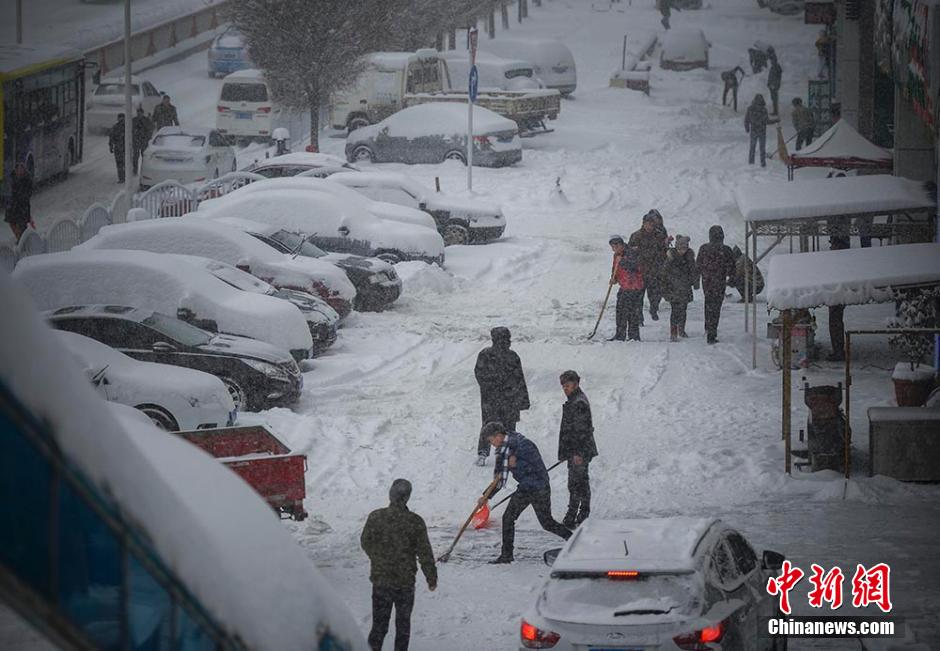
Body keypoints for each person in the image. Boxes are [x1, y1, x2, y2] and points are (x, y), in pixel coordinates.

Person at [477, 422, 572, 564]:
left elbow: (537, 467)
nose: (492, 445)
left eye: (491, 441)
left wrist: (517, 462)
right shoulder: (502, 451)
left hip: (539, 487)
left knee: (546, 522)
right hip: (526, 488)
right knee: (508, 518)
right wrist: (486, 496)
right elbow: (500, 478)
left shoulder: (523, 444)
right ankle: (506, 555)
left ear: (498, 435)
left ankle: (573, 540)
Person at [360, 479, 437, 651]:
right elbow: (425, 553)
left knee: (379, 627)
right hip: (405, 583)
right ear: (407, 497)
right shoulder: (415, 522)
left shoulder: (376, 517)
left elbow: (365, 541)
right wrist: (431, 578)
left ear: (390, 494)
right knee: (403, 627)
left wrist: (378, 559)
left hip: (381, 582)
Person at [473, 327, 530, 466]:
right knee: (490, 426)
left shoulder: (512, 356)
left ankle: (507, 452)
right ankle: (483, 453)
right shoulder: (485, 355)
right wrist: (494, 385)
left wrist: (523, 400)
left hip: (506, 399)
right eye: (505, 339)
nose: (507, 342)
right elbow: (479, 375)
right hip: (493, 399)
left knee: (507, 427)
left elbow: (519, 379)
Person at [557, 370, 597, 528]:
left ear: (576, 384)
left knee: (576, 484)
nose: (565, 389)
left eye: (567, 385)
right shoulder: (575, 399)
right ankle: (581, 514)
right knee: (580, 482)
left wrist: (577, 453)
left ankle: (573, 515)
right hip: (578, 451)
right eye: (563, 386)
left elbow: (581, 431)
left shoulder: (578, 402)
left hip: (579, 451)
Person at [696, 225, 735, 344]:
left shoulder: (703, 248)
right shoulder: (726, 250)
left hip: (707, 282)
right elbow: (732, 268)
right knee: (716, 307)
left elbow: (698, 266)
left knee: (708, 304)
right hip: (719, 282)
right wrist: (731, 279)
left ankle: (708, 327)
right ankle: (712, 333)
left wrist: (697, 280)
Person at [629, 210, 668, 321]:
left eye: (652, 224)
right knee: (639, 296)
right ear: (643, 223)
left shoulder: (659, 235)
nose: (650, 226)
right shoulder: (636, 236)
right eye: (648, 223)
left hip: (655, 270)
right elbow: (629, 252)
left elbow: (664, 252)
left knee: (655, 294)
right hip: (640, 271)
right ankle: (639, 317)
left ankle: (653, 309)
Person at [608, 236, 644, 341]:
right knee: (620, 312)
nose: (613, 249)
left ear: (620, 245)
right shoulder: (617, 256)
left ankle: (633, 336)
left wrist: (622, 261)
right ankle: (620, 335)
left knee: (632, 312)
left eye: (614, 247)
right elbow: (615, 268)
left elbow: (634, 267)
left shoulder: (631, 253)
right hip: (624, 286)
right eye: (612, 247)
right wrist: (613, 278)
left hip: (634, 287)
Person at [664, 235, 699, 341]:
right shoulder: (671, 257)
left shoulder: (689, 257)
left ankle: (681, 330)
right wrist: (665, 285)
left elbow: (694, 271)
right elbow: (664, 272)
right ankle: (673, 332)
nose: (682, 251)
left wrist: (695, 282)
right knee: (675, 311)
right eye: (680, 249)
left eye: (684, 248)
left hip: (685, 287)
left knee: (683, 310)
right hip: (673, 288)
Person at [826, 228, 851, 361]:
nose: (831, 247)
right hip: (836, 294)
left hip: (838, 295)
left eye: (832, 244)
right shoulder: (840, 259)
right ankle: (838, 349)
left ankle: (838, 351)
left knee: (835, 322)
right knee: (835, 322)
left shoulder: (840, 259)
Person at [744, 94, 778, 167]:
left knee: (752, 147)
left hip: (753, 130)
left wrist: (747, 127)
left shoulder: (750, 108)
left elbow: (747, 119)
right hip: (762, 131)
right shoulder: (763, 109)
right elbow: (767, 121)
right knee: (762, 148)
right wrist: (776, 120)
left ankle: (751, 162)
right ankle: (763, 163)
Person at [5, 162, 33, 242]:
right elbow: (10, 191)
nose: (19, 171)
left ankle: (22, 241)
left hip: (22, 207)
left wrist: (20, 198)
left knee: (22, 226)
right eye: (18, 169)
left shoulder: (27, 180)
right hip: (13, 206)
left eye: (21, 169)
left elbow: (28, 193)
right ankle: (20, 239)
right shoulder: (12, 178)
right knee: (12, 222)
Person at [132, 107, 154, 176]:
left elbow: (151, 128)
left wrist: (148, 137)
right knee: (135, 157)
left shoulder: (146, 120)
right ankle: (135, 170)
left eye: (140, 112)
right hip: (136, 141)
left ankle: (144, 170)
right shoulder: (134, 120)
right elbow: (131, 129)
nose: (139, 114)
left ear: (142, 113)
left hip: (144, 140)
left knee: (144, 157)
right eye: (138, 112)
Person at [108, 114, 127, 183]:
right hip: (119, 148)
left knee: (124, 164)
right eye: (120, 118)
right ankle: (122, 178)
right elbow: (111, 137)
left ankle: (124, 177)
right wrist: (111, 146)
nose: (121, 120)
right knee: (120, 164)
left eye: (122, 118)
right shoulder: (115, 127)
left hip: (125, 148)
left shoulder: (127, 126)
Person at [766, 48, 782, 115]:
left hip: (774, 86)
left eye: (772, 61)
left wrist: (775, 85)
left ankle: (776, 111)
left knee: (775, 99)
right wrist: (769, 83)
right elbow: (771, 77)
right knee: (773, 99)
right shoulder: (773, 67)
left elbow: (778, 78)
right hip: (772, 85)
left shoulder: (776, 67)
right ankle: (775, 110)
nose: (771, 62)